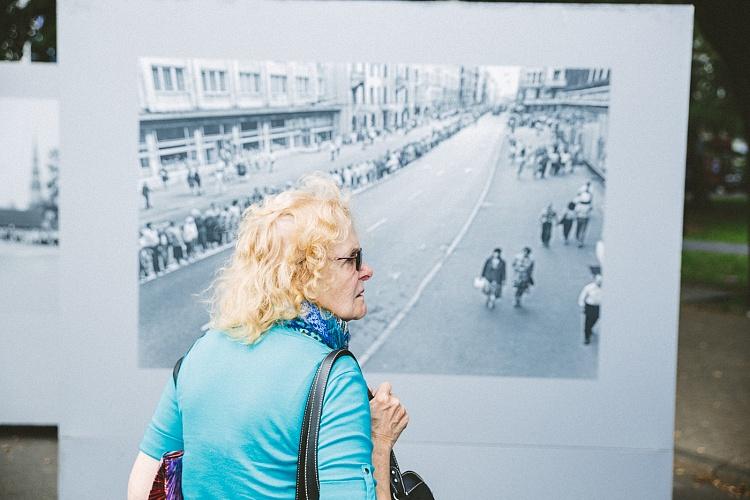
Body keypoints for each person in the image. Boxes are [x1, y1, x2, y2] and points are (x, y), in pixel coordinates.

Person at [128, 175, 408, 499]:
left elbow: (142, 489)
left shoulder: (199, 354)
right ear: (303, 273)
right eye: (351, 259)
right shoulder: (334, 375)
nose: (366, 270)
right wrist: (380, 441)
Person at [578, 274, 603, 344]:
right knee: (587, 322)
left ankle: (590, 329)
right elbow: (582, 296)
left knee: (595, 319)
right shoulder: (589, 287)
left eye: (601, 282)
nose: (599, 283)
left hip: (599, 307)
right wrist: (582, 305)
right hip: (590, 306)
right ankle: (587, 337)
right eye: (598, 281)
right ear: (596, 280)